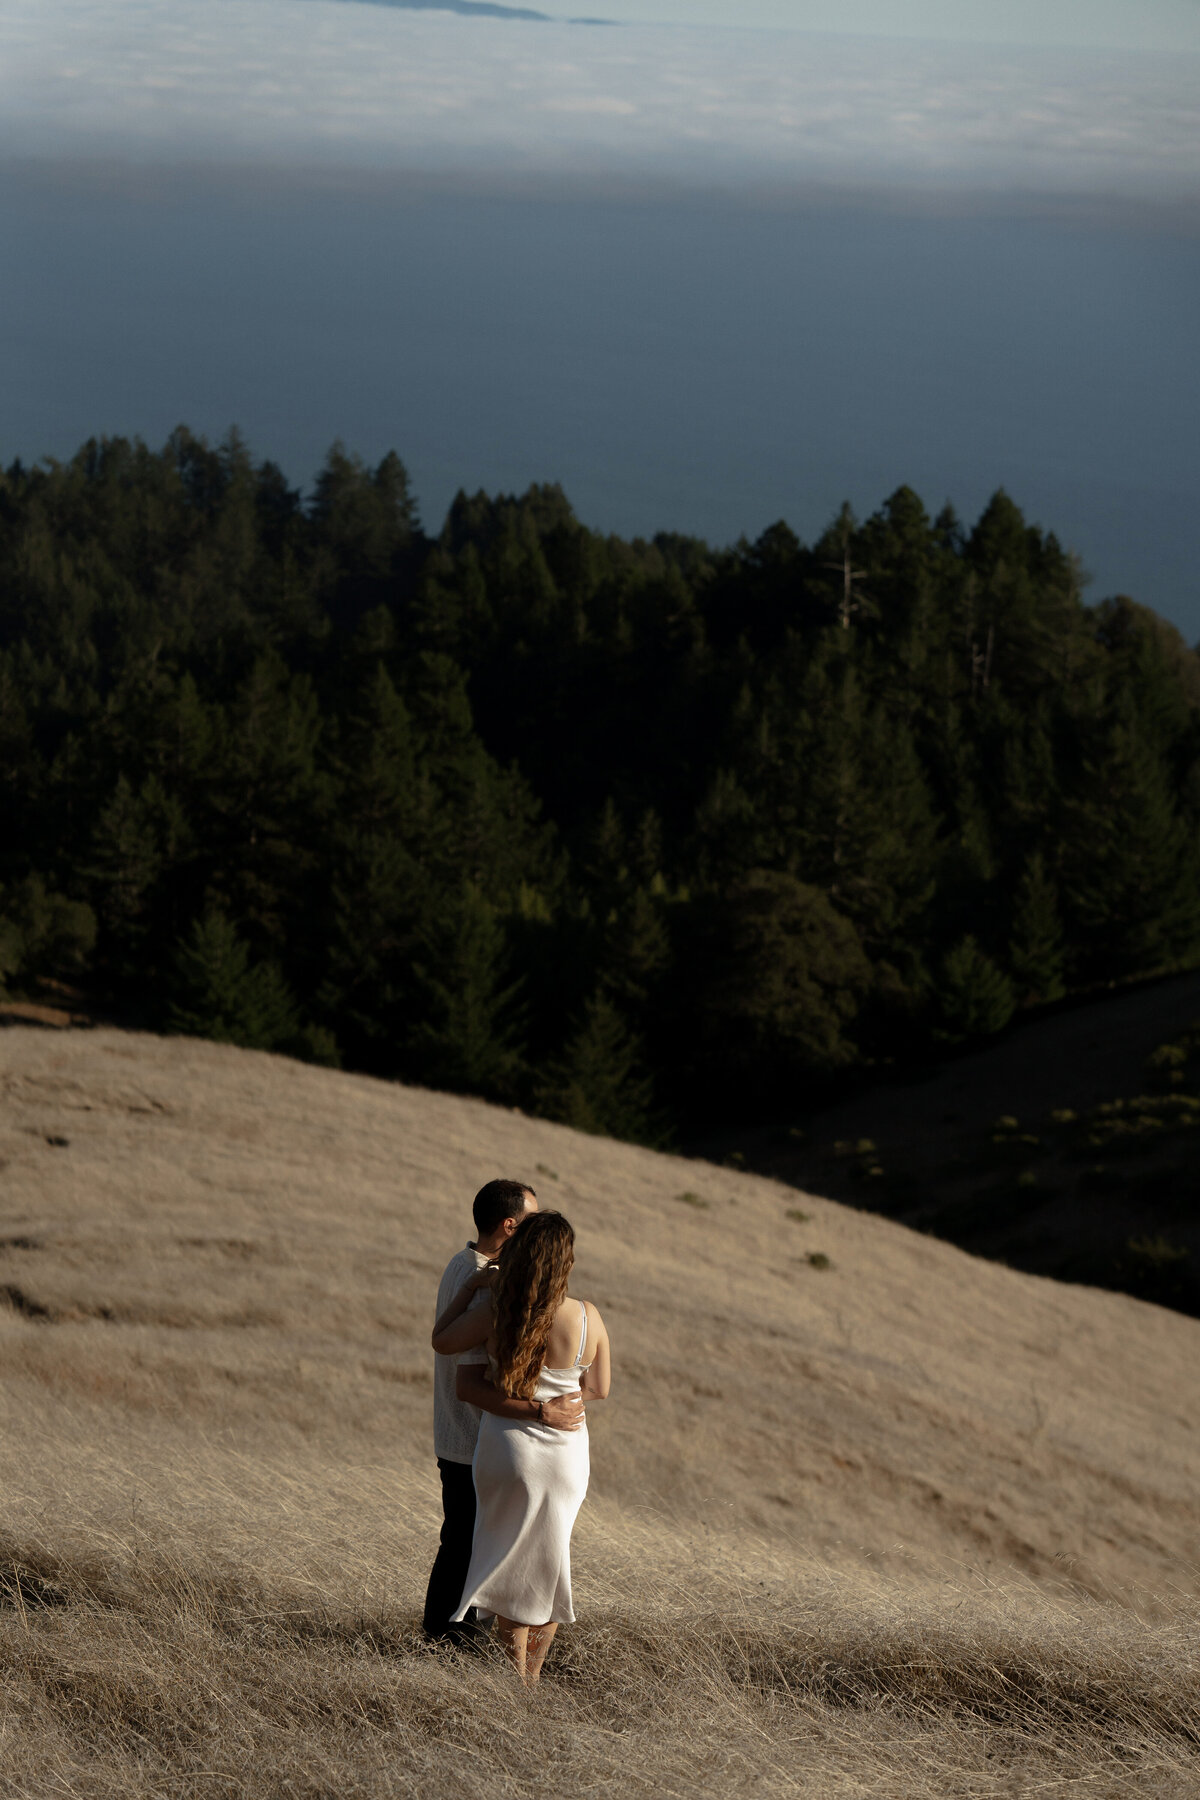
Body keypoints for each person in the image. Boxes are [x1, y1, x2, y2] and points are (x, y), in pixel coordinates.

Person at [431, 1210, 611, 1681]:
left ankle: (516, 1678)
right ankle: (530, 1678)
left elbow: (442, 1341)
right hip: (568, 1453)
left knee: (509, 1563)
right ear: (565, 1262)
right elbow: (601, 1387)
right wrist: (563, 1401)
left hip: (509, 1448)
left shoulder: (497, 1310)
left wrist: (469, 1289)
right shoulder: (589, 1315)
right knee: (549, 1565)